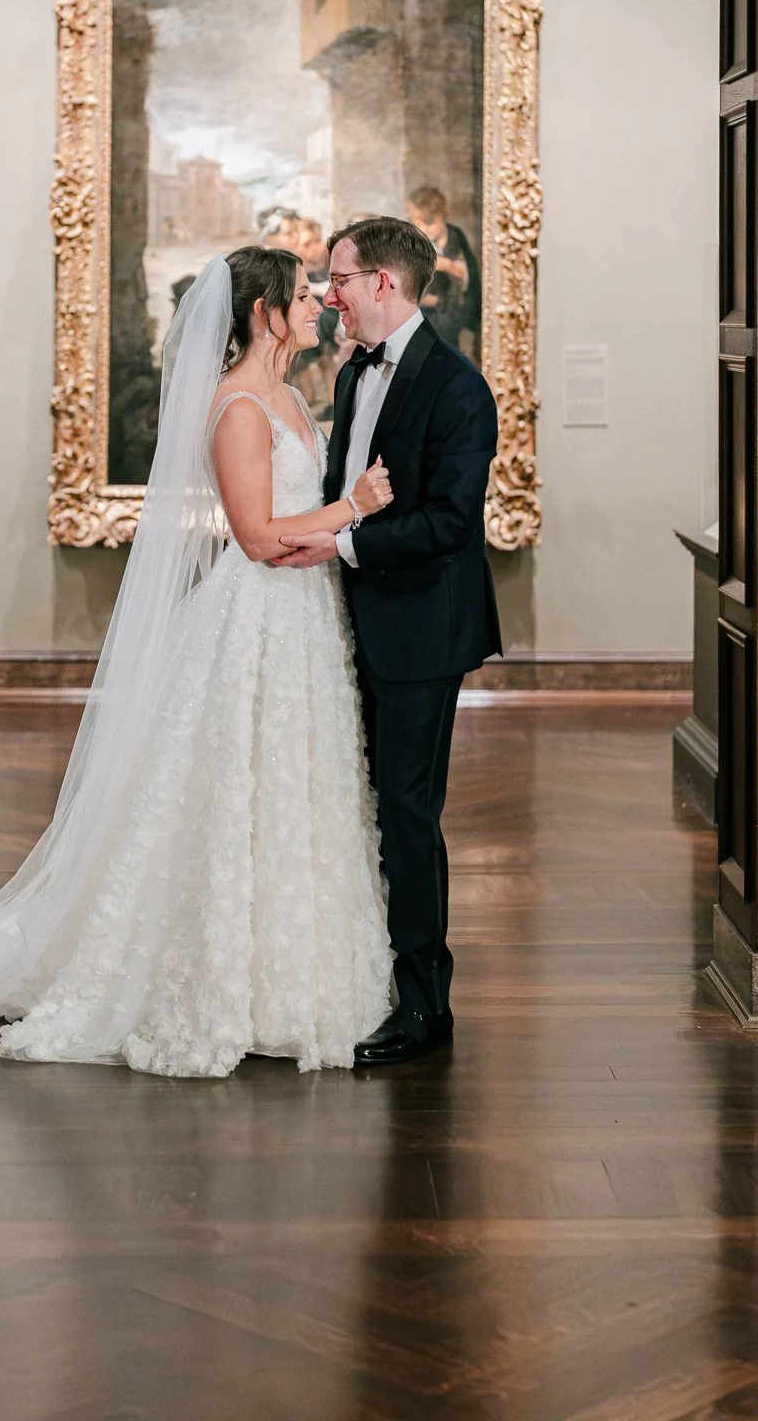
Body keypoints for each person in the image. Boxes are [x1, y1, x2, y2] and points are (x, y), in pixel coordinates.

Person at [0, 248, 393, 1075]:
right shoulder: (239, 406)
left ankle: (289, 979)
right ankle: (210, 981)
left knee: (292, 785)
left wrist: (328, 525)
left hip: (305, 619)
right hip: (253, 622)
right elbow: (253, 535)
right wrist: (352, 507)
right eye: (301, 295)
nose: (316, 303)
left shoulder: (291, 397)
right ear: (261, 314)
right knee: (231, 792)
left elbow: (292, 523)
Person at [275, 216, 501, 1067]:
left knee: (407, 813)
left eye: (338, 278)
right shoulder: (354, 370)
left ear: (384, 285)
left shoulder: (456, 387)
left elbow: (446, 523)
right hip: (349, 622)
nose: (327, 294)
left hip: (418, 630)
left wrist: (340, 544)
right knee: (356, 804)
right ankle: (356, 971)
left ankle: (422, 1003)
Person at [406, 186, 481, 357]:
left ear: (443, 216)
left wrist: (448, 266)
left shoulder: (455, 237)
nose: (425, 229)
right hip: (423, 311)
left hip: (452, 311)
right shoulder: (413, 241)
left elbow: (468, 276)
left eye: (430, 222)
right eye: (418, 224)